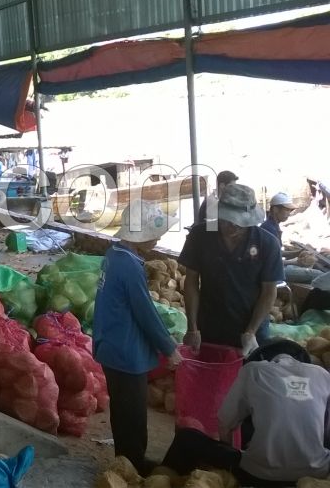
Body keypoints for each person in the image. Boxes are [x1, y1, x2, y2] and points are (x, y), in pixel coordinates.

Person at [93, 201, 184, 475]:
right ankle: (136, 466)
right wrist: (169, 348)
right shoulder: (130, 266)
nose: (158, 238)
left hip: (110, 347)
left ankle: (125, 460)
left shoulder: (113, 254)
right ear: (142, 234)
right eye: (155, 233)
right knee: (133, 415)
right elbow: (145, 312)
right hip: (126, 352)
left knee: (121, 412)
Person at [161, 340, 330, 487]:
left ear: (263, 358)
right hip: (317, 473)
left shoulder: (254, 370)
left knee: (187, 437)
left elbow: (225, 422)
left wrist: (227, 452)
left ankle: (160, 477)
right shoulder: (322, 374)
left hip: (259, 475)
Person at [179, 183, 284, 357]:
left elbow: (269, 292)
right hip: (210, 325)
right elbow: (191, 282)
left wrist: (251, 331)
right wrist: (192, 327)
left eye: (239, 223)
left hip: (251, 326)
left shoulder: (267, 243)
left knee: (250, 376)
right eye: (226, 221)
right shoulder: (200, 236)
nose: (231, 227)